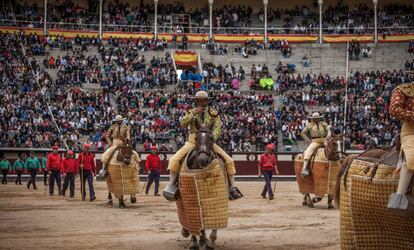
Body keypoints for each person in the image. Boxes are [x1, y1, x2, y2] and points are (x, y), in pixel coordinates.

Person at [166, 91, 237, 193]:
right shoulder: (191, 112)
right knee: (174, 160)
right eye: (200, 100)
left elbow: (218, 128)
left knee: (229, 161)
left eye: (204, 100)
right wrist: (194, 112)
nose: (202, 102)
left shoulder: (213, 113)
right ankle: (172, 186)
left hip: (208, 142)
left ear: (207, 100)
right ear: (196, 101)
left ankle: (232, 189)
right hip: (192, 142)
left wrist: (210, 138)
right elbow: (182, 124)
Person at [387, 83, 414, 212]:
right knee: (412, 156)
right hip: (411, 130)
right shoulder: (405, 89)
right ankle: (399, 197)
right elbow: (394, 109)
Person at [300, 112, 329, 178]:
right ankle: (304, 169)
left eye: (317, 118)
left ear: (319, 118)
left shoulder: (323, 124)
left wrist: (328, 137)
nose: (316, 120)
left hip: (324, 140)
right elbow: (303, 133)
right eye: (315, 118)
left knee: (332, 148)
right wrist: (308, 140)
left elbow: (328, 130)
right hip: (315, 141)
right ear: (312, 119)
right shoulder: (309, 125)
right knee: (308, 151)